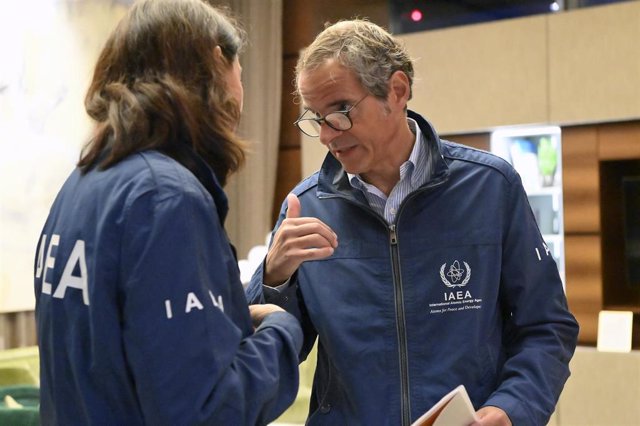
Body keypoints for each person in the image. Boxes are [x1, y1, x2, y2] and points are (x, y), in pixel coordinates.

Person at [245, 19, 579, 426]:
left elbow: (546, 326)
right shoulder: (306, 206)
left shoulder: (490, 188)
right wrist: (272, 279)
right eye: (316, 117)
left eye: (340, 111)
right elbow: (270, 354)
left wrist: (511, 408)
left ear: (397, 91)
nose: (327, 136)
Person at [34, 1, 302, 424]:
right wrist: (282, 331)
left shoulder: (82, 185)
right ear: (217, 62)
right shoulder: (166, 199)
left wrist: (227, 317)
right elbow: (210, 411)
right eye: (242, 73)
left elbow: (123, 343)